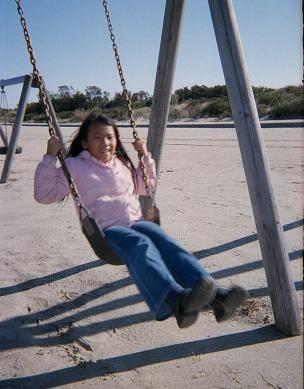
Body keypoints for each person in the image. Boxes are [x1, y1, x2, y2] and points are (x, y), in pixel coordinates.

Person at [34, 112, 248, 328]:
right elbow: (44, 194)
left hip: (136, 222)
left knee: (165, 242)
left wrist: (144, 156)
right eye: (97, 137)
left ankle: (217, 297)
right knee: (141, 244)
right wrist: (50, 157)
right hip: (108, 231)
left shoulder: (122, 163)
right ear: (84, 142)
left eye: (110, 137)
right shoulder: (75, 166)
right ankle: (174, 299)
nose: (105, 143)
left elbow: (145, 186)